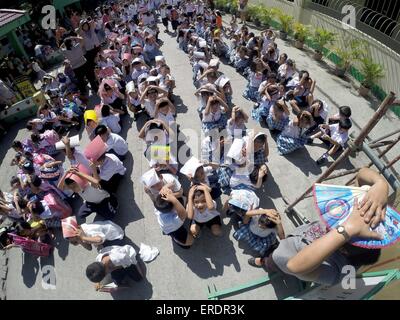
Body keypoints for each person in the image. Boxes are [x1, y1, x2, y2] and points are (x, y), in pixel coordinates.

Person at [248, 168, 388, 287]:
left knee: (271, 261)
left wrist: (347, 229)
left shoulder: (337, 273)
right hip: (292, 240)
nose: (332, 223)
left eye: (338, 227)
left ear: (343, 249)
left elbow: (294, 266)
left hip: (282, 259)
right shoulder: (350, 230)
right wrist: (381, 185)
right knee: (279, 246)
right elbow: (362, 173)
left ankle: (263, 262)